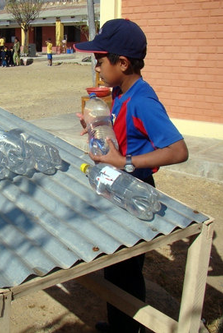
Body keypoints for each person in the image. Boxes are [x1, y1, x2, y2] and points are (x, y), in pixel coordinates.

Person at [74, 18, 189, 333]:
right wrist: (95, 129)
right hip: (119, 186)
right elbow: (122, 132)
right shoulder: (119, 91)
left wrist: (125, 162)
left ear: (122, 62)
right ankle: (119, 324)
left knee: (127, 269)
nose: (96, 66)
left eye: (100, 59)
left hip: (135, 189)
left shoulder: (142, 99)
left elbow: (178, 150)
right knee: (115, 264)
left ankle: (129, 328)